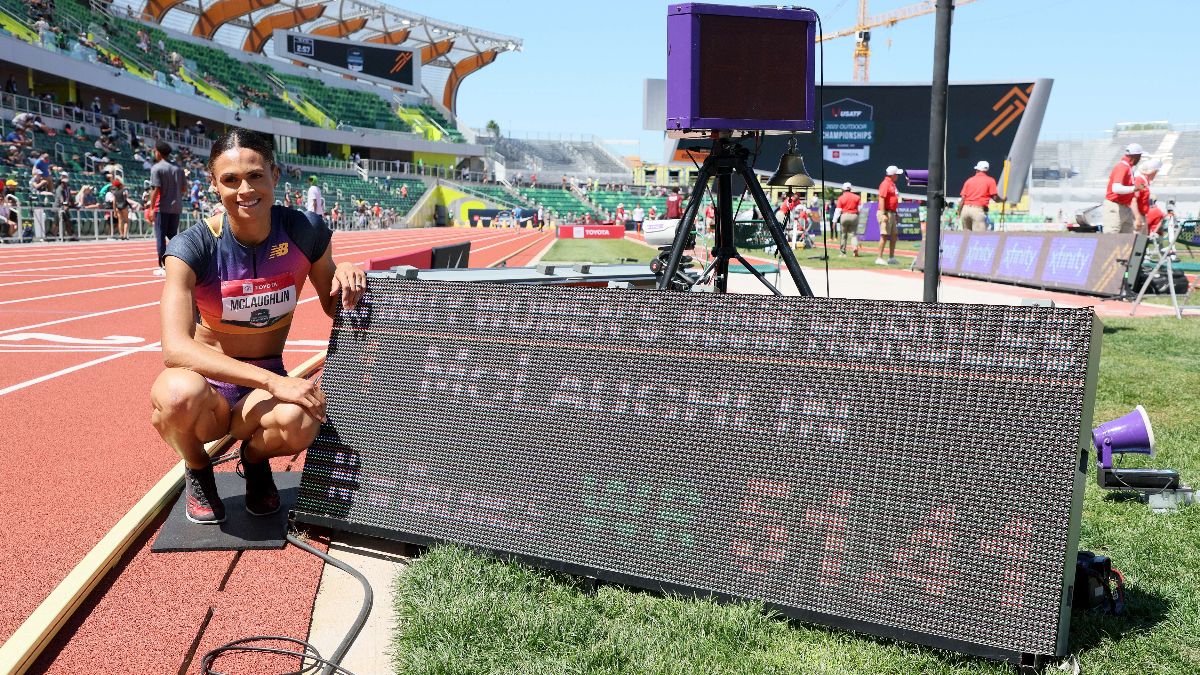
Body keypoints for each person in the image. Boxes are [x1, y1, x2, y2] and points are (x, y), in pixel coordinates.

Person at [150, 127, 367, 524]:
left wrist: (347, 273)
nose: (244, 189)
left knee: (301, 422)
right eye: (230, 180)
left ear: (274, 175)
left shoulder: (306, 231)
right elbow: (174, 349)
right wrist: (273, 382)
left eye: (254, 175)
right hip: (210, 387)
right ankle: (198, 469)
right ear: (215, 186)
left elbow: (335, 307)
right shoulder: (190, 247)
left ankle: (253, 460)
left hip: (262, 389)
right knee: (175, 395)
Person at [149, 141, 187, 275]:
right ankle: (181, 259)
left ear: (158, 152)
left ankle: (163, 265)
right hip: (176, 207)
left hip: (162, 207)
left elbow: (155, 190)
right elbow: (184, 189)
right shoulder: (179, 169)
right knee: (173, 236)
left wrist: (151, 208)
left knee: (160, 236)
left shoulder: (157, 168)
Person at [1103, 143, 1147, 234]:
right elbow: (1116, 188)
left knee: (1126, 241)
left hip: (1124, 206)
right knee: (1111, 239)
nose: (1140, 159)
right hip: (1115, 207)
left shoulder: (1127, 167)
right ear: (1136, 156)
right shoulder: (1122, 167)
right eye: (1140, 156)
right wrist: (1134, 188)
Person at [957, 160, 999, 232]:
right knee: (979, 238)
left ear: (977, 170)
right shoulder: (990, 180)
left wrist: (959, 212)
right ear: (987, 170)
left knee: (966, 237)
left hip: (965, 209)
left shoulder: (969, 180)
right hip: (977, 210)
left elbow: (962, 200)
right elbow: (995, 198)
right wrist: (1002, 200)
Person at [876, 165, 902, 265]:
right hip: (886, 212)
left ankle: (891, 257)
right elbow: (881, 198)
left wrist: (896, 213)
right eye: (897, 174)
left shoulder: (892, 184)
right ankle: (879, 257)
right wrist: (883, 214)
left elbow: (893, 199)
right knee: (884, 235)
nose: (898, 176)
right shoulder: (885, 184)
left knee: (894, 235)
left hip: (891, 212)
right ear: (893, 175)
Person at [1132, 158, 1161, 234]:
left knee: (1142, 241)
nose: (1155, 174)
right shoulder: (1140, 181)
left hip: (1142, 215)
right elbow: (1134, 199)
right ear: (1152, 171)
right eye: (1155, 172)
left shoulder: (1144, 182)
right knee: (1137, 242)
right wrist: (1137, 217)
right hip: (1138, 215)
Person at [833, 182, 861, 256]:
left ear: (843, 189)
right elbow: (860, 209)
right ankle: (854, 247)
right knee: (853, 234)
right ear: (850, 189)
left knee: (843, 235)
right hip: (854, 215)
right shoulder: (857, 197)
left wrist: (834, 221)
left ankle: (842, 252)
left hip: (844, 215)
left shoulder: (841, 198)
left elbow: (838, 210)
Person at [52, 173, 75, 240]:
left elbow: (70, 198)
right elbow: (60, 198)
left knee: (68, 221)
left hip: (64, 208)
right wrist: (65, 204)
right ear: (62, 183)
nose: (66, 184)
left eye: (67, 183)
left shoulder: (68, 189)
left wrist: (74, 205)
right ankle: (52, 236)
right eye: (64, 183)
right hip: (58, 208)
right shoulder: (59, 188)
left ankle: (71, 236)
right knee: (56, 223)